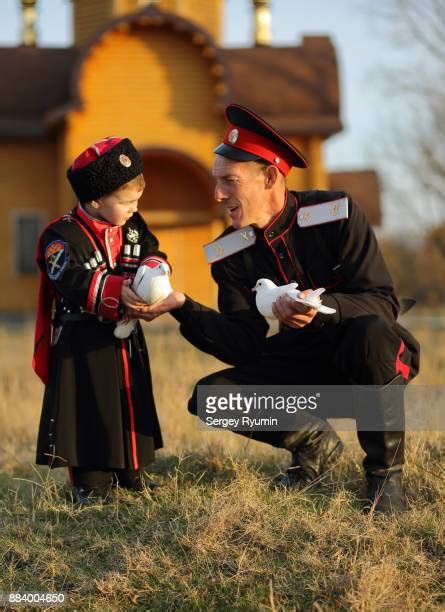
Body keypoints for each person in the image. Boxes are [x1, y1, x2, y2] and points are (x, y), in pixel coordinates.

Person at [139, 104, 420, 514]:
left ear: (270, 176)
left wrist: (323, 307)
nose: (217, 194)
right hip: (300, 369)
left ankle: (384, 479)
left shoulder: (337, 214)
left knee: (372, 331)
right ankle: (315, 446)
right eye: (217, 181)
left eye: (229, 181)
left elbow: (382, 301)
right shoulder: (228, 253)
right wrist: (181, 307)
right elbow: (243, 345)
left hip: (365, 361)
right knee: (213, 398)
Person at [33, 136, 168, 503]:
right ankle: (91, 483)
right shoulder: (60, 235)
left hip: (125, 339)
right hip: (82, 342)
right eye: (127, 202)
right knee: (89, 407)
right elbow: (70, 279)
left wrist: (155, 272)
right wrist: (115, 291)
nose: (135, 208)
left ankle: (130, 471)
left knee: (130, 400)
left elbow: (153, 252)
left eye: (137, 200)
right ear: (95, 200)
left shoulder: (134, 224)